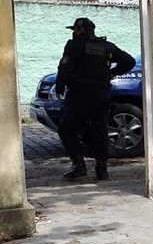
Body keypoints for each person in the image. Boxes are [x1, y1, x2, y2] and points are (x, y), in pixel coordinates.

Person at [56, 17, 135, 180]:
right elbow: (129, 61)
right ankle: (102, 169)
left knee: (67, 129)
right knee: (99, 131)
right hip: (101, 94)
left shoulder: (74, 46)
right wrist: (112, 73)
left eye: (75, 30)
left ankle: (79, 165)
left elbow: (64, 67)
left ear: (81, 30)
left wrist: (60, 86)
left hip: (78, 95)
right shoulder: (106, 47)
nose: (73, 33)